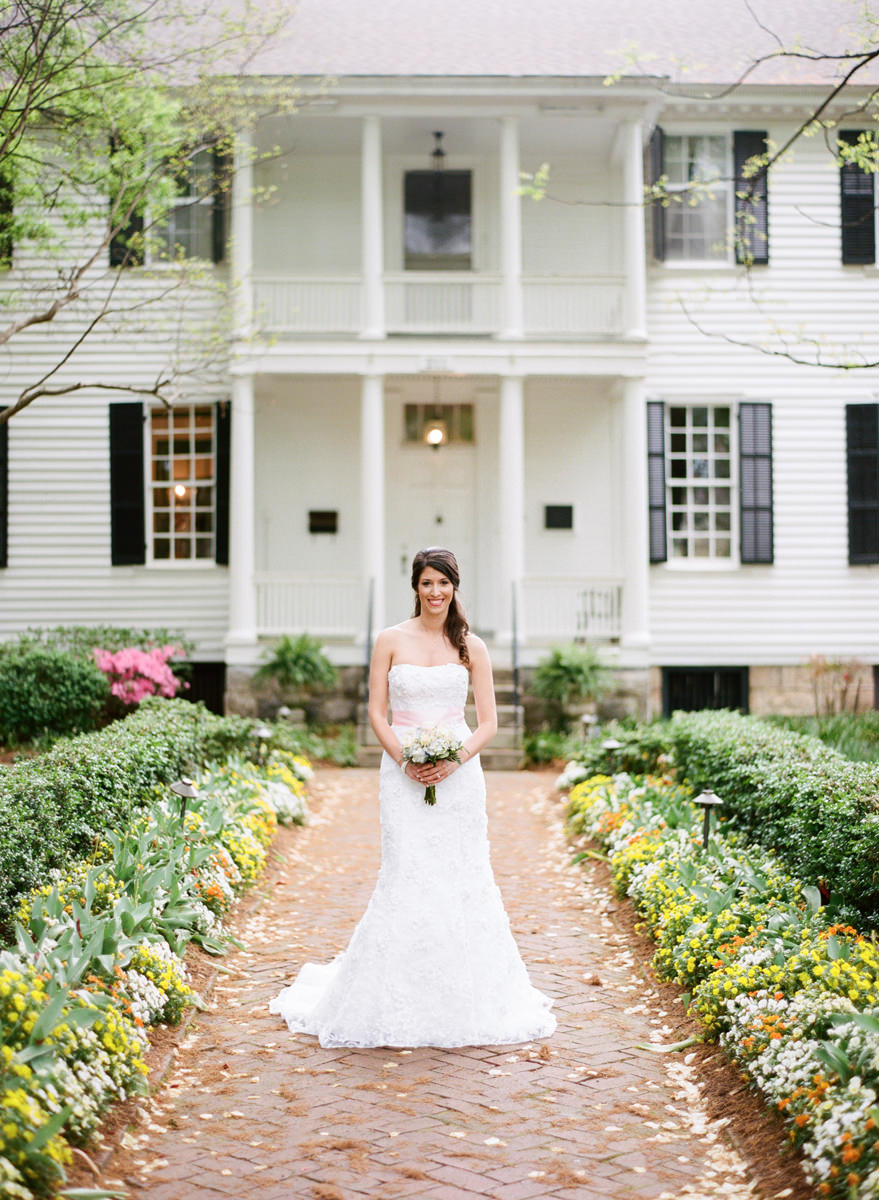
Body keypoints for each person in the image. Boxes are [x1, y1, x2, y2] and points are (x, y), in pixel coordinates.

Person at [268, 547, 557, 1048]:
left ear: (454, 588)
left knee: (461, 876)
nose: (435, 592)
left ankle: (463, 993)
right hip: (402, 774)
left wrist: (453, 760)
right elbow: (377, 714)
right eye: (427, 583)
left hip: (460, 778)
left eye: (443, 584)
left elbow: (489, 722)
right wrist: (406, 760)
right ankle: (393, 991)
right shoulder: (390, 640)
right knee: (407, 873)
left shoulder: (472, 647)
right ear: (416, 587)